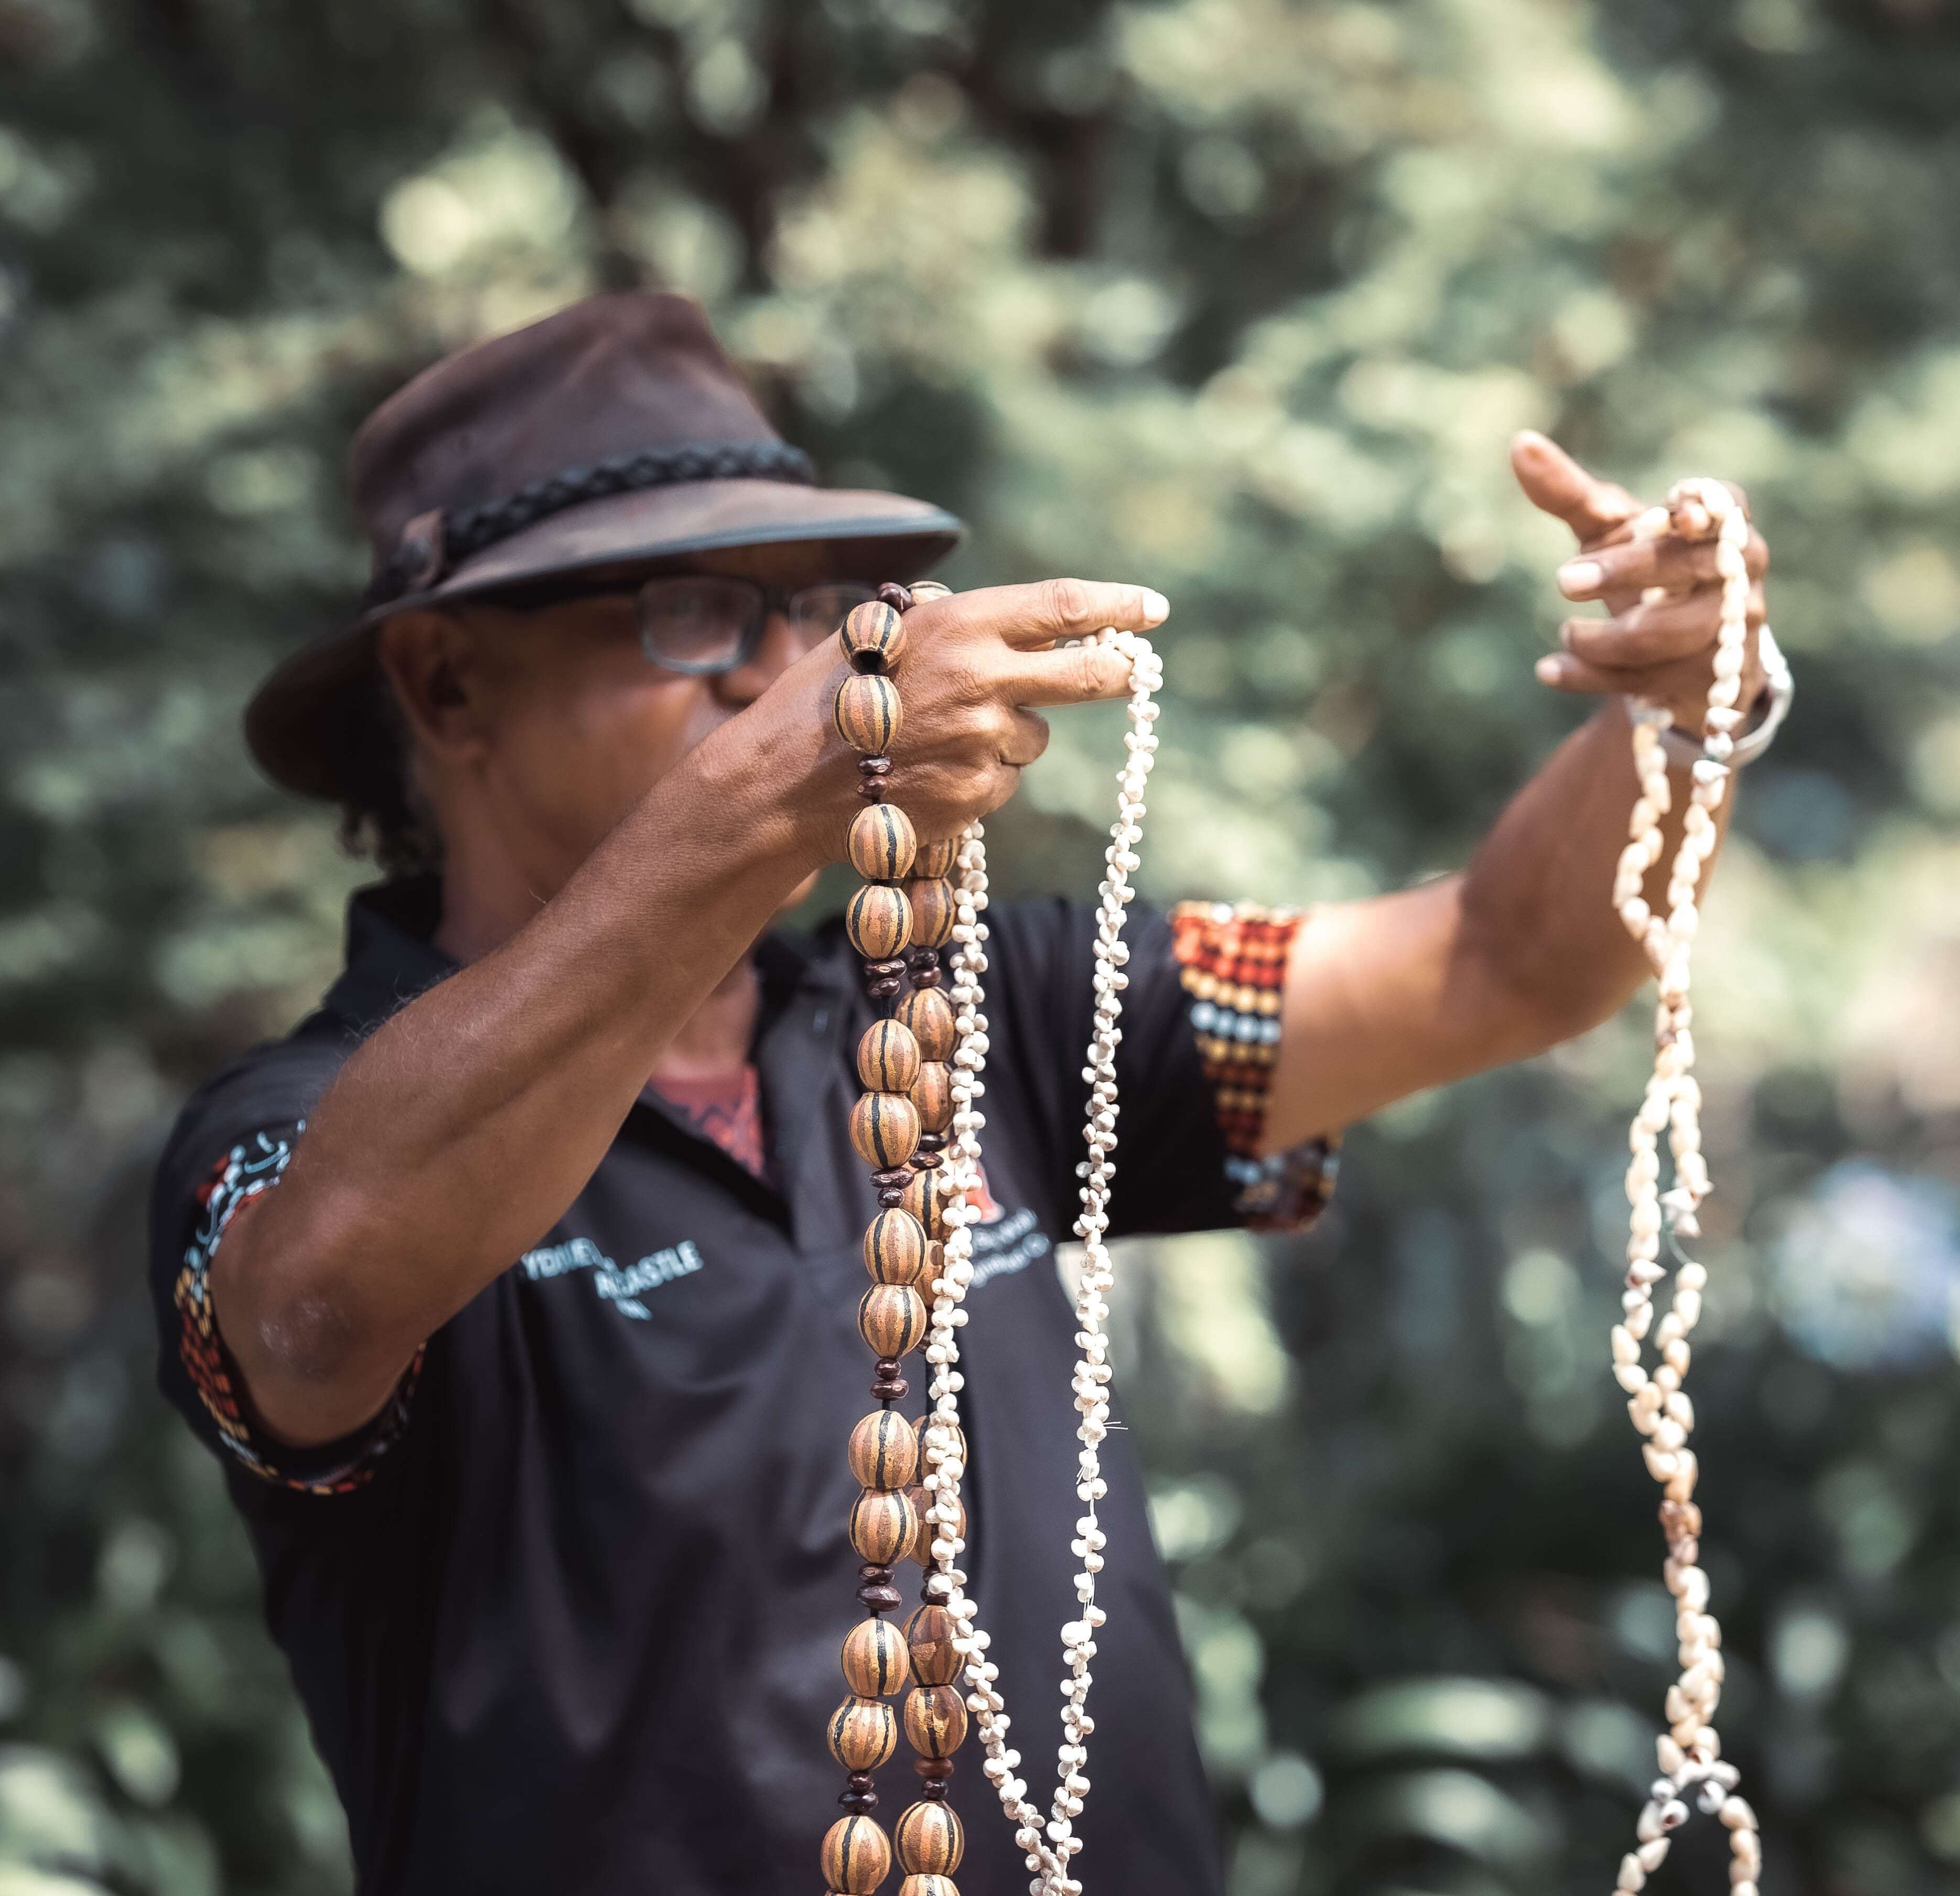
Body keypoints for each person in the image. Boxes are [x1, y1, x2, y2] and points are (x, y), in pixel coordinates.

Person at [147, 291, 1777, 1895]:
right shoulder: (298, 1128)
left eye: (819, 610)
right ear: (442, 687)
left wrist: (1680, 710)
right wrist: (791, 774)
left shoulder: (978, 1006)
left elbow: (1506, 963)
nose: (784, 669)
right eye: (696, 611)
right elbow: (313, 1303)